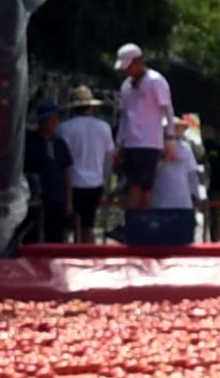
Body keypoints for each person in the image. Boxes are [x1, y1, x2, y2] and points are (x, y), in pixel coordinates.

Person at [110, 44, 174, 210]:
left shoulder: (155, 81)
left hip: (148, 141)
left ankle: (133, 223)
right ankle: (137, 222)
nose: (127, 71)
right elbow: (124, 116)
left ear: (138, 61)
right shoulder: (126, 86)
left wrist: (170, 137)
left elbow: (167, 109)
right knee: (133, 184)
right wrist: (119, 143)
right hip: (130, 142)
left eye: (129, 66)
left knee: (138, 185)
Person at [60, 89, 113, 240]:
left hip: (72, 184)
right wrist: (106, 179)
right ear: (91, 107)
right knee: (87, 226)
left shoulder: (65, 128)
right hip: (94, 183)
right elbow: (109, 157)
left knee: (67, 227)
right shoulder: (104, 127)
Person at [23, 98, 74, 246]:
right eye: (52, 119)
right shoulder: (29, 141)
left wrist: (68, 200)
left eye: (56, 119)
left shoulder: (59, 143)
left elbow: (67, 170)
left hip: (56, 197)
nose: (55, 122)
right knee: (32, 235)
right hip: (35, 198)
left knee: (55, 236)